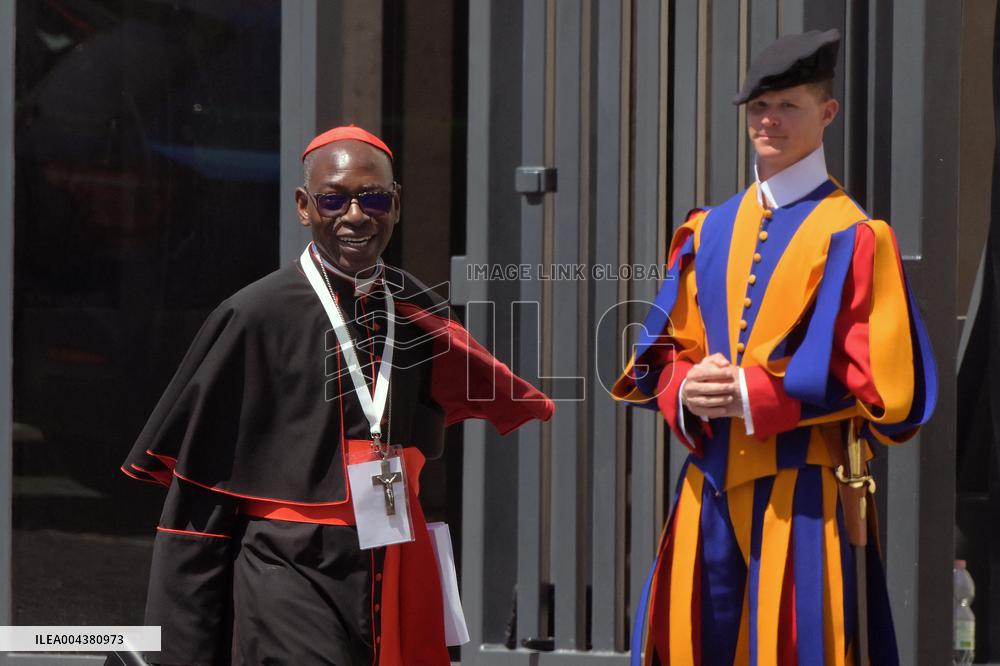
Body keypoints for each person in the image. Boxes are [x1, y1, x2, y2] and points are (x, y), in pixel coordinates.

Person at [119, 125, 554, 665]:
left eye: (374, 199)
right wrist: (180, 644)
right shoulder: (254, 315)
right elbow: (201, 494)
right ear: (304, 206)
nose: (355, 216)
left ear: (396, 204)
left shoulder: (417, 309)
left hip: (391, 556)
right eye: (333, 199)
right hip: (287, 564)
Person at [613, 30, 936, 665]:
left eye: (788, 105)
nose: (769, 120)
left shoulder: (855, 235)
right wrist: (686, 387)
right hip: (706, 489)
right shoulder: (706, 228)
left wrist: (755, 394)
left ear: (827, 112)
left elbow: (886, 389)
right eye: (759, 106)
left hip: (805, 493)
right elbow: (663, 353)